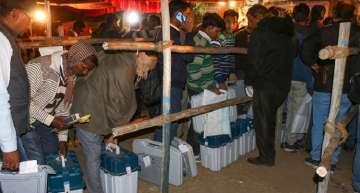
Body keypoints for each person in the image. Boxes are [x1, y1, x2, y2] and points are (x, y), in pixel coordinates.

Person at [71, 50, 158, 193]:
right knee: (93, 157)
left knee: (94, 153)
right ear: (142, 55)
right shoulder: (125, 70)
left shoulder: (119, 54)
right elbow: (118, 107)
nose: (149, 69)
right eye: (149, 65)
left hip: (85, 103)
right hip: (89, 114)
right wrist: (113, 134)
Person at [301, 1, 360, 171]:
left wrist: (313, 64)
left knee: (320, 122)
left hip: (324, 83)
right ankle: (332, 160)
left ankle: (316, 157)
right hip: (348, 87)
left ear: (334, 13)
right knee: (340, 124)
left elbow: (305, 47)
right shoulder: (358, 32)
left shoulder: (324, 31)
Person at [21, 41, 97, 164]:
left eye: (88, 70)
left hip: (42, 120)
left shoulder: (71, 76)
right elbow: (23, 102)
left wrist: (62, 140)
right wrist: (51, 120)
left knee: (52, 151)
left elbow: (63, 108)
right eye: (84, 67)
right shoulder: (39, 67)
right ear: (74, 58)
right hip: (25, 121)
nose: (85, 73)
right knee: (37, 162)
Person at [246, 13, 295, 166]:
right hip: (282, 84)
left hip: (264, 84)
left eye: (251, 19)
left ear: (259, 18)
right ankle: (269, 152)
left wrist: (250, 81)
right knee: (271, 120)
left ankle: (266, 156)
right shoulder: (288, 35)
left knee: (262, 122)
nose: (249, 23)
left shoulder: (260, 34)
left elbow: (253, 60)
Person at [152, 0, 194, 142]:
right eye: (186, 15)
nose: (188, 18)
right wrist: (189, 32)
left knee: (167, 119)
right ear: (178, 14)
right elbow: (188, 56)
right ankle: (162, 153)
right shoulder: (169, 32)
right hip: (171, 83)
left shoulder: (166, 30)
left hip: (169, 81)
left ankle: (159, 150)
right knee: (170, 121)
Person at [0, 0, 34, 171]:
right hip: (5, 130)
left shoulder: (6, 38)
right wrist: (8, 146)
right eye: (29, 18)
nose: (30, 24)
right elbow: (0, 97)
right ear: (14, 13)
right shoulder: (1, 40)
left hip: (9, 128)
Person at [281, 3, 313, 152]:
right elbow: (309, 61)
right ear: (308, 17)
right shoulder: (310, 34)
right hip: (301, 77)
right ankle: (290, 141)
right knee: (297, 111)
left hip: (284, 75)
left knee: (286, 109)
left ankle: (285, 139)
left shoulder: (286, 32)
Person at [187, 12, 225, 135]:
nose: (218, 35)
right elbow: (193, 69)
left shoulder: (199, 38)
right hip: (198, 87)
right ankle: (195, 149)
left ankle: (195, 148)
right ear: (209, 28)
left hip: (199, 85)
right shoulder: (202, 43)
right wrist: (208, 87)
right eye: (217, 31)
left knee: (197, 119)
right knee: (199, 121)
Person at [235, 4, 268, 80]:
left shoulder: (267, 34)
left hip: (261, 73)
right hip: (244, 73)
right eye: (249, 20)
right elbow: (237, 60)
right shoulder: (239, 35)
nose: (249, 23)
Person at [212, 9, 238, 89]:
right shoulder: (217, 36)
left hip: (227, 75)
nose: (231, 25)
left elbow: (231, 57)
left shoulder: (233, 37)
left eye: (234, 22)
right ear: (223, 21)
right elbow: (214, 61)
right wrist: (220, 80)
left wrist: (232, 72)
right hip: (217, 76)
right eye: (228, 21)